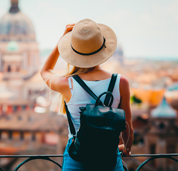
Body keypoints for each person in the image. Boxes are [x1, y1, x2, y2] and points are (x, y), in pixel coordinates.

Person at [40, 19, 134, 170]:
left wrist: (61, 41)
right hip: (109, 158)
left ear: (72, 51)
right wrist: (127, 148)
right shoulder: (121, 82)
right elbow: (128, 128)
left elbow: (45, 72)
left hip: (76, 158)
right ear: (103, 49)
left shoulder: (67, 84)